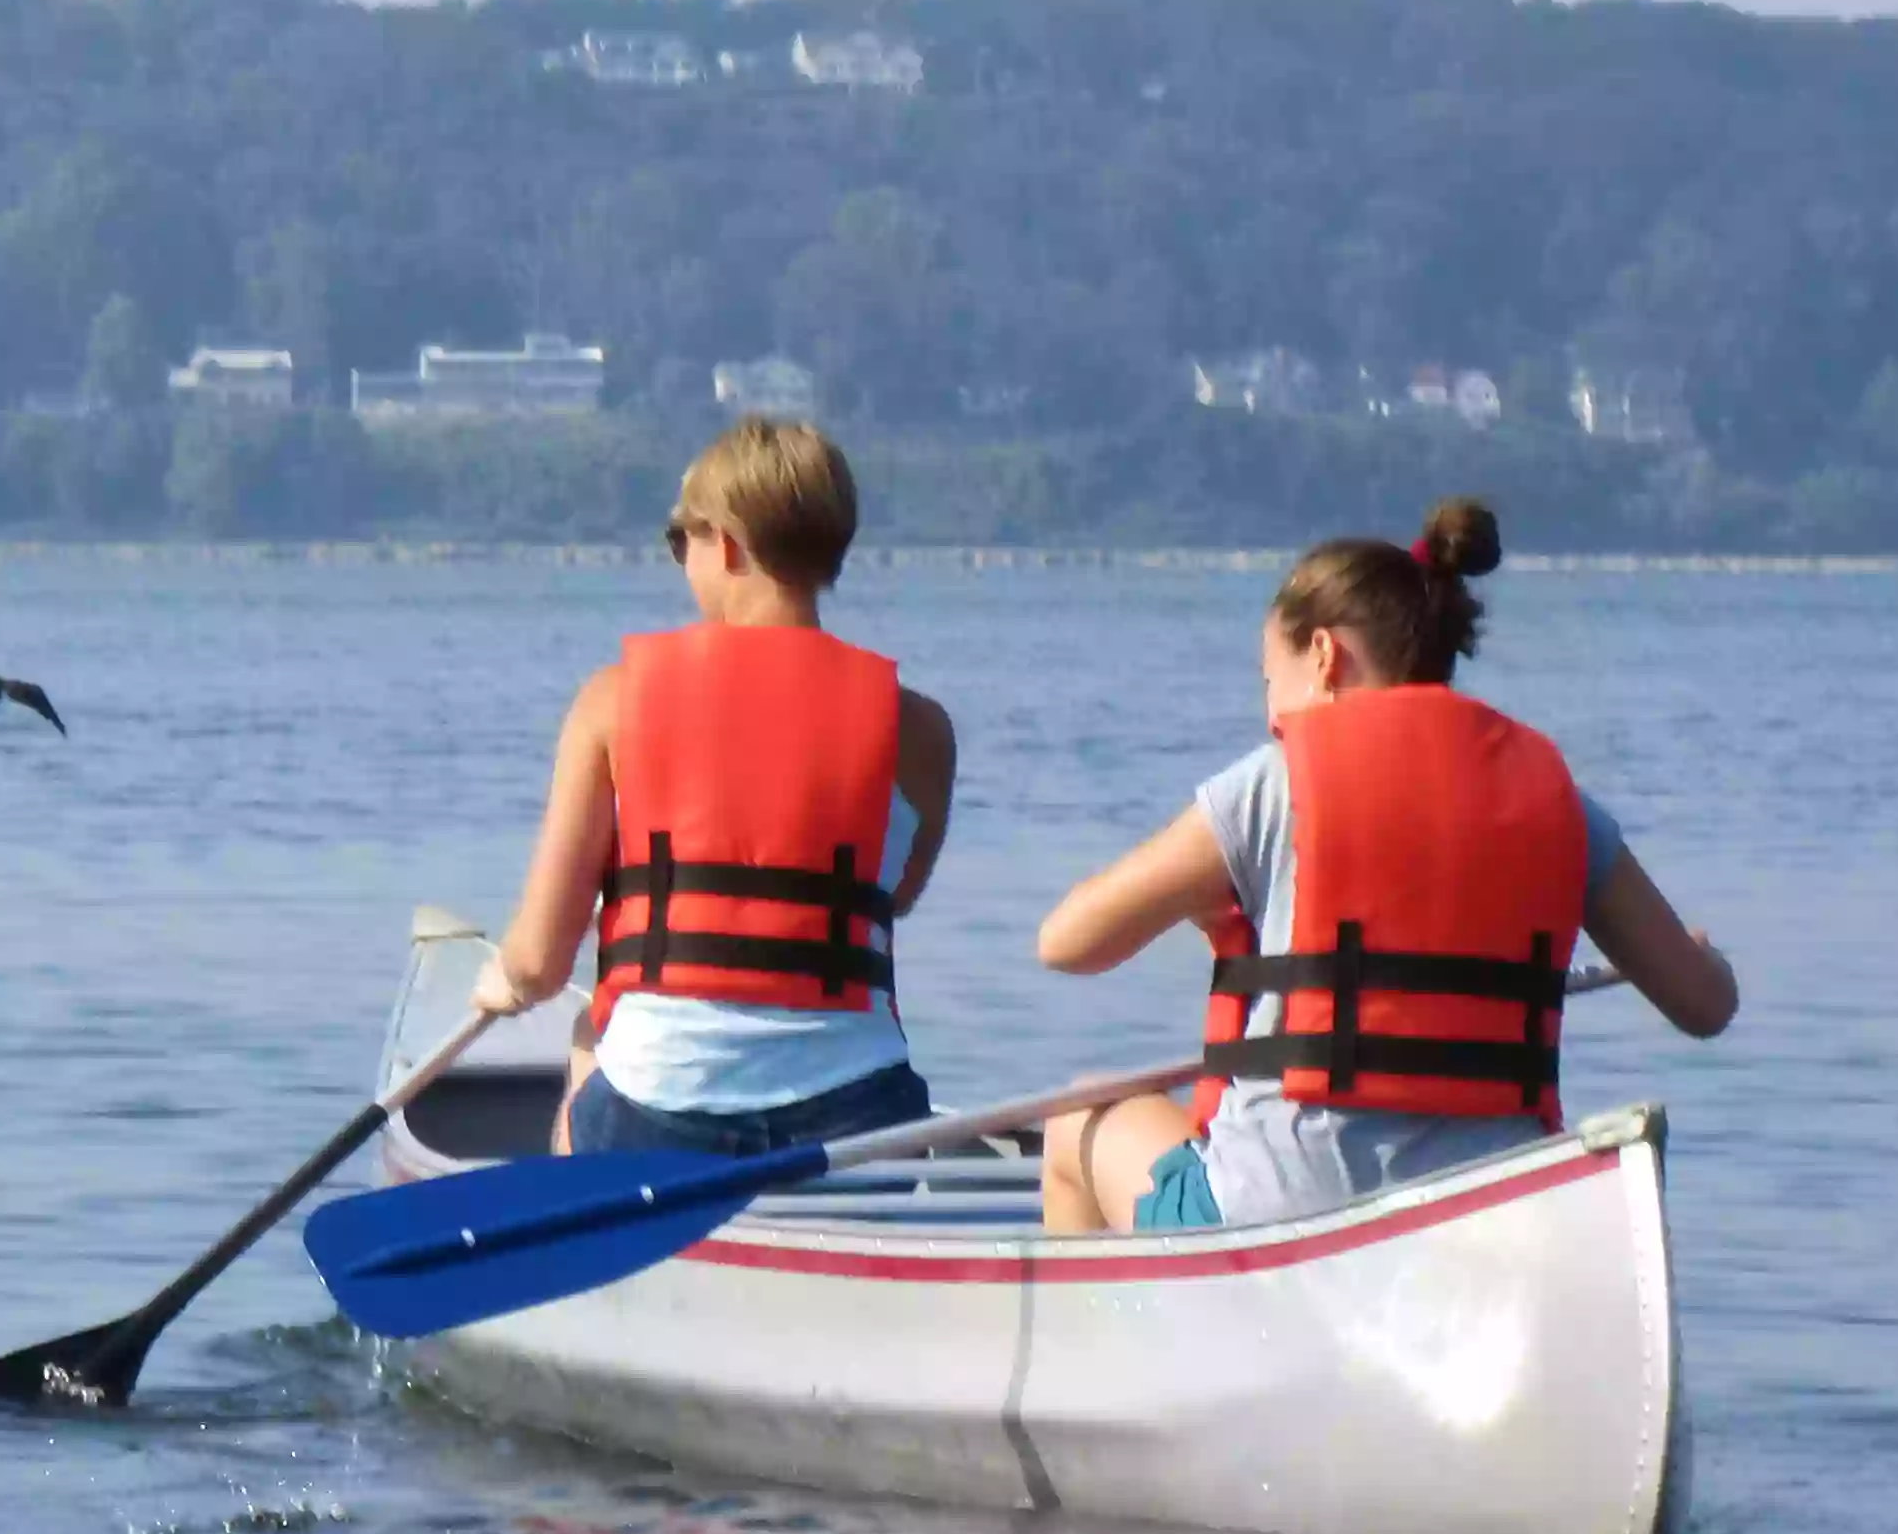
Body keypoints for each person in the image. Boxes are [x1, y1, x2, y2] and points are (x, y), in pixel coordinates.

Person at [1032, 500, 1734, 1233]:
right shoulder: (1559, 801)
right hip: (1489, 1213)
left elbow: (1066, 944)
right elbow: (1707, 1007)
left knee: (1075, 1118)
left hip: (1280, 1210)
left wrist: (1197, 899)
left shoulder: (1273, 784)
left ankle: (1105, 1343)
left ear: (1325, 657)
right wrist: (1700, 959)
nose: (1270, 712)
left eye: (1270, 679)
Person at [469, 415, 958, 1161]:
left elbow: (539, 961)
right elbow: (891, 898)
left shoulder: (612, 702)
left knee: (585, 1037)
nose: (680, 560)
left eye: (680, 540)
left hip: (659, 1115)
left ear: (725, 543)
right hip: (862, 1120)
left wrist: (501, 982)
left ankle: (603, 1241)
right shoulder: (922, 731)